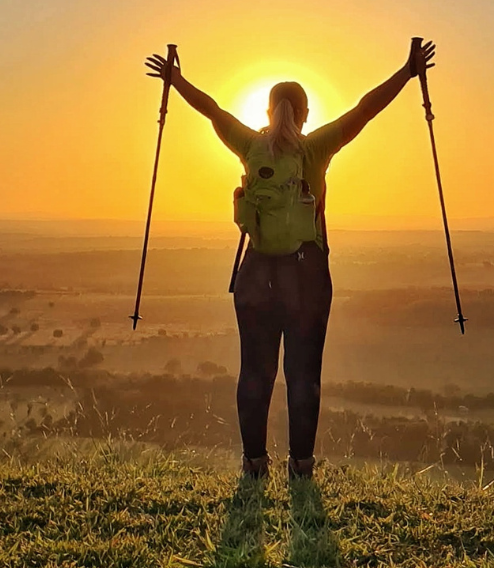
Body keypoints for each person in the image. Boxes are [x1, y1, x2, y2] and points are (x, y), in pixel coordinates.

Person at [144, 41, 437, 480]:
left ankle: (253, 466)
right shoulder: (315, 149)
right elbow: (364, 109)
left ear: (267, 113)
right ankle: (301, 468)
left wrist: (175, 80)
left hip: (256, 270)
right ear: (304, 115)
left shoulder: (249, 145)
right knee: (304, 375)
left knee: (254, 374)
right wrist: (408, 71)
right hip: (306, 275)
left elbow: (212, 110)